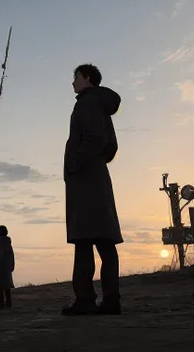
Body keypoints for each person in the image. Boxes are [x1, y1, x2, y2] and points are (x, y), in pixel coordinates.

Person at [61, 63, 124, 316]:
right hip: (96, 178)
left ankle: (86, 299)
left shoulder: (87, 102)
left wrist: (76, 164)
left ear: (87, 78)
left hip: (86, 180)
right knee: (104, 242)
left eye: (75, 77)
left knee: (85, 241)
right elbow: (110, 146)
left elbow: (96, 138)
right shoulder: (100, 104)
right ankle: (111, 300)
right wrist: (92, 162)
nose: (72, 82)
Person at [0, 225, 15, 309]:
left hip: (1, 267)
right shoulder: (8, 243)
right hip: (7, 267)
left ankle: (1, 302)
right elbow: (11, 255)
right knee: (6, 285)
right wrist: (11, 266)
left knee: (0, 285)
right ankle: (8, 302)